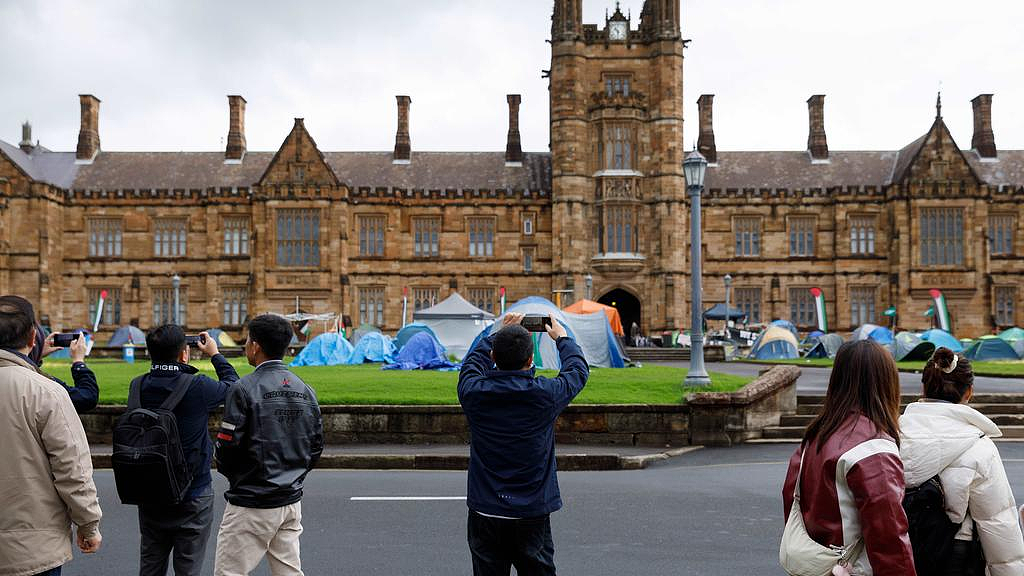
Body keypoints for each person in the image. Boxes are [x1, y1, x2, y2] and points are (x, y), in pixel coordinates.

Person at [458, 312, 589, 576]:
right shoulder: (544, 395)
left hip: (487, 510)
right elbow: (577, 371)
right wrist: (562, 337)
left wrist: (498, 335)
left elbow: (471, 364)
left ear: (493, 358)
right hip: (531, 512)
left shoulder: (473, 392)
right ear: (531, 359)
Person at [782, 339, 916, 575]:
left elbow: (792, 500)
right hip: (853, 568)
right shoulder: (873, 448)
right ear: (886, 383)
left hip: (815, 564)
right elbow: (889, 535)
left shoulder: (815, 437)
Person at [214, 314, 323, 576]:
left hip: (252, 501)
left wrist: (241, 479)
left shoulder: (243, 388)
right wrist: (294, 476)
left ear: (255, 346)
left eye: (248, 340)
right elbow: (316, 446)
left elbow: (227, 448)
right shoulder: (305, 389)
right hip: (290, 499)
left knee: (229, 573)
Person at [0, 296, 102, 575]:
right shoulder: (46, 392)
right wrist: (88, 524)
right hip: (32, 547)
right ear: (33, 336)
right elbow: (72, 468)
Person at [899, 347, 1024, 575]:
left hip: (899, 551)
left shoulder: (892, 436)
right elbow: (997, 523)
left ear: (923, 388)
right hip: (956, 556)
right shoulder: (979, 446)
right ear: (969, 392)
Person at [135, 325, 240, 576]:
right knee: (188, 569)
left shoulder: (137, 385)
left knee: (150, 566)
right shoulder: (198, 386)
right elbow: (234, 387)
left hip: (150, 490)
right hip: (193, 491)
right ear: (184, 354)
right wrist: (215, 354)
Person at [0, 296, 99, 413]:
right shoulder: (44, 387)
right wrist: (79, 362)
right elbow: (86, 398)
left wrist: (34, 357)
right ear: (32, 338)